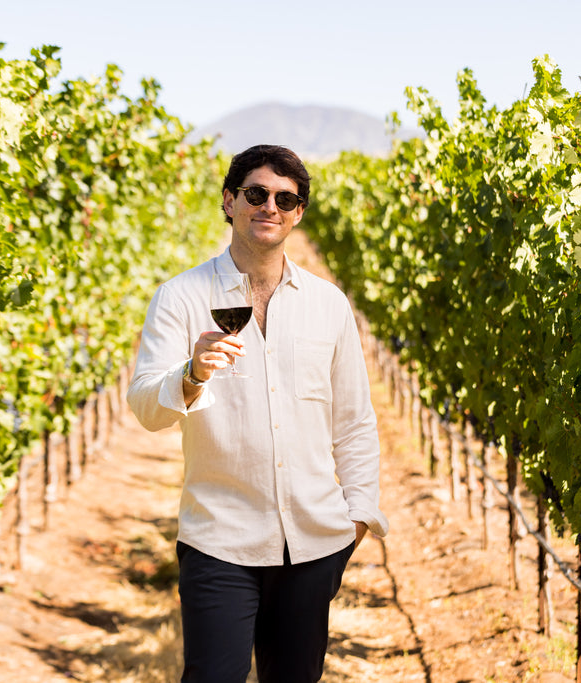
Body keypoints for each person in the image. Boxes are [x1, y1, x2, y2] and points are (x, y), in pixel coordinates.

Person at [126, 144, 388, 683]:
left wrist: (358, 517)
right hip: (220, 539)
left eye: (286, 199)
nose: (270, 206)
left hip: (315, 544)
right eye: (256, 193)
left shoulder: (328, 305)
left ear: (298, 214)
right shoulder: (181, 297)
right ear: (229, 201)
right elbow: (146, 408)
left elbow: (355, 422)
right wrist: (191, 373)